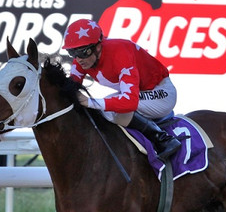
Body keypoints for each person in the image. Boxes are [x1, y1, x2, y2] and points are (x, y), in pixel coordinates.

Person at [63, 18, 182, 161]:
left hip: (161, 94)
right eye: (72, 53)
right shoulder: (82, 60)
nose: (79, 59)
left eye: (83, 52)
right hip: (140, 93)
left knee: (111, 109)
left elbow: (129, 102)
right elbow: (69, 89)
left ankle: (163, 139)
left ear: (98, 47)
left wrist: (89, 102)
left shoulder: (121, 52)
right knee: (102, 109)